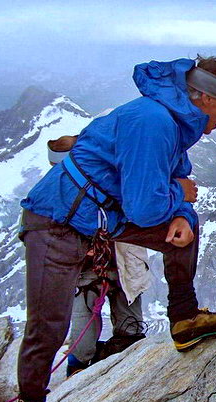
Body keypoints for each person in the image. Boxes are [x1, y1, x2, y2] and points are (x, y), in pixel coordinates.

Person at [16, 56, 216, 402]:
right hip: (56, 222)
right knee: (47, 326)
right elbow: (145, 207)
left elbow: (175, 187)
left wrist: (183, 213)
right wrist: (181, 200)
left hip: (100, 219)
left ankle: (184, 319)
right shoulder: (154, 121)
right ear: (207, 99)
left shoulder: (175, 125)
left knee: (183, 235)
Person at [48, 135, 150, 377]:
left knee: (121, 330)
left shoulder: (60, 193)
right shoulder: (110, 182)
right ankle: (85, 372)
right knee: (99, 331)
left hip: (114, 265)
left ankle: (84, 370)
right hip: (105, 267)